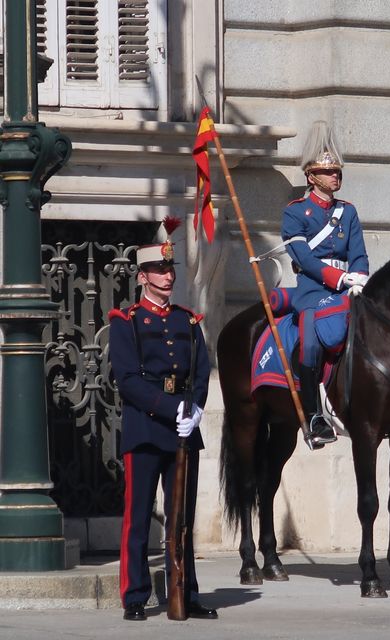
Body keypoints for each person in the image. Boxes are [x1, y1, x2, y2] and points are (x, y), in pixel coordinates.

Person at [109, 217, 216, 621]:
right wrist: (175, 408)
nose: (167, 276)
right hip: (145, 428)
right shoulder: (126, 322)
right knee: (138, 518)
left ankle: (185, 593)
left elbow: (201, 371)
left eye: (170, 269)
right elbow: (129, 381)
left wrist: (197, 408)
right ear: (142, 275)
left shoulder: (186, 320)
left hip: (185, 432)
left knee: (182, 519)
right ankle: (134, 596)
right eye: (159, 269)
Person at [281, 121, 369, 449]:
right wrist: (338, 278)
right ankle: (314, 415)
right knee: (311, 340)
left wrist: (359, 278)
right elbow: (303, 259)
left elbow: (359, 253)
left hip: (347, 289)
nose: (336, 177)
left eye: (338, 172)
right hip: (312, 291)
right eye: (328, 172)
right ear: (311, 176)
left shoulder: (348, 212)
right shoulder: (296, 213)